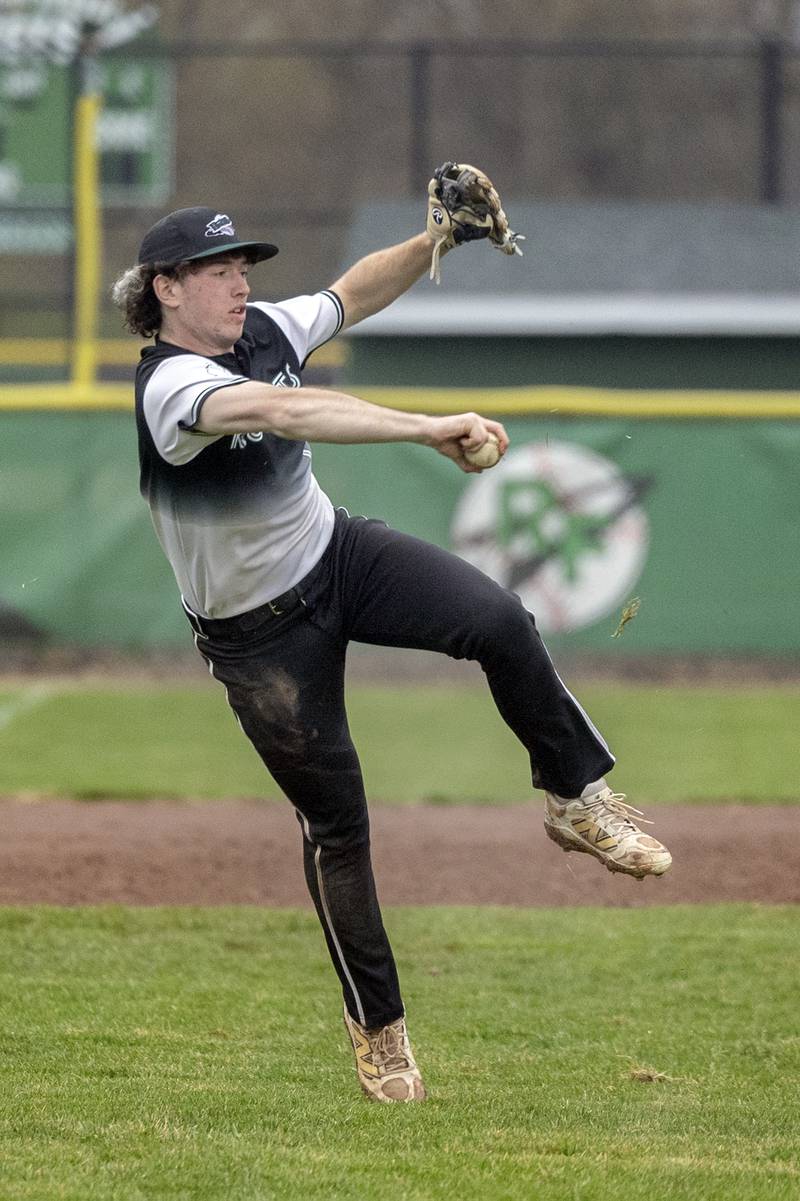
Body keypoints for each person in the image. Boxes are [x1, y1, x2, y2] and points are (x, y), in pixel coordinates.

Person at [113, 202, 671, 1105]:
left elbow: (350, 294)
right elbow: (282, 406)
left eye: (244, 265)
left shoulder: (266, 328)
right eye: (219, 270)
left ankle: (577, 798)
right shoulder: (170, 386)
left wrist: (436, 239)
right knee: (339, 828)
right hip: (257, 638)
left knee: (500, 619)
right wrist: (424, 426)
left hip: (337, 555)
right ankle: (379, 1029)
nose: (241, 282)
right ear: (166, 289)